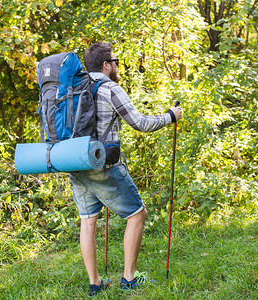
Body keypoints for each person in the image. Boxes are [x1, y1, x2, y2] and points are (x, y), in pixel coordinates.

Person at [69, 41, 182, 296]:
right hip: (103, 165)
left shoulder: (74, 88)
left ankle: (95, 283)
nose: (117, 67)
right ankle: (129, 278)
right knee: (137, 215)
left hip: (74, 162)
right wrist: (170, 116)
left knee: (87, 221)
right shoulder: (110, 88)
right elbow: (140, 123)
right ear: (106, 65)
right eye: (115, 62)